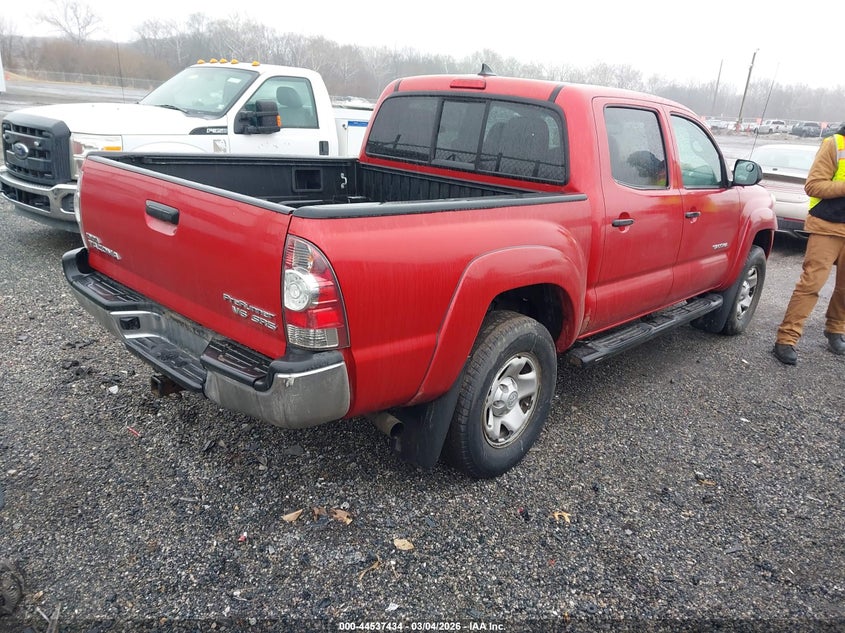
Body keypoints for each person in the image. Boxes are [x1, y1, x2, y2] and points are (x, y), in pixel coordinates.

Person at [773, 124, 845, 365]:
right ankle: (786, 339)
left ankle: (836, 330)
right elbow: (813, 185)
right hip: (828, 225)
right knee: (811, 284)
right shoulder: (835, 143)